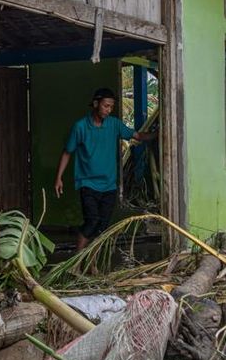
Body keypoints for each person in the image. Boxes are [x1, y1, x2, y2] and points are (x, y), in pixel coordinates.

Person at [54, 87, 156, 250]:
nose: (109, 110)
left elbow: (137, 135)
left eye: (111, 107)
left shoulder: (114, 124)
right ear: (96, 104)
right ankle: (76, 264)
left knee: (101, 227)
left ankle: (92, 265)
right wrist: (58, 178)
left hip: (109, 185)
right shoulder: (80, 127)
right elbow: (67, 152)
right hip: (87, 184)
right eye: (106, 106)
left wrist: (156, 135)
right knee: (91, 222)